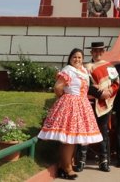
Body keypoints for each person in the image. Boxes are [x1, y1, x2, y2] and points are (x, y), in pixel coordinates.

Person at [38, 48, 104, 180]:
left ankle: (64, 166)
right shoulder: (68, 70)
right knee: (68, 140)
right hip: (70, 104)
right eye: (75, 57)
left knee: (72, 139)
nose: (77, 60)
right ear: (70, 58)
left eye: (80, 57)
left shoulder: (83, 71)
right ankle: (67, 168)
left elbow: (85, 87)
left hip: (82, 105)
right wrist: (65, 98)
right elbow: (58, 87)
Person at [75, 42, 119, 172]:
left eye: (100, 51)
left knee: (103, 132)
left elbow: (116, 82)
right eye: (94, 51)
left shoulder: (109, 66)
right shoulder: (85, 67)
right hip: (89, 103)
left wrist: (109, 92)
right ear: (91, 52)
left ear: (103, 51)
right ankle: (81, 160)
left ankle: (104, 161)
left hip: (105, 105)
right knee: (85, 130)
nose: (97, 53)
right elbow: (85, 85)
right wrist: (101, 93)